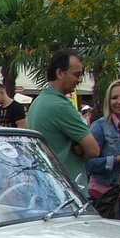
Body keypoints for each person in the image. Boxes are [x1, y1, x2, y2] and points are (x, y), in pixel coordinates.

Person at [27, 51, 100, 193]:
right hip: (68, 191)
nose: (79, 80)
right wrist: (82, 151)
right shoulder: (61, 106)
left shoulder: (38, 102)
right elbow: (94, 150)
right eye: (77, 74)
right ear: (60, 73)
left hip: (46, 186)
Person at [87, 79, 120, 220]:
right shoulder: (100, 126)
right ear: (108, 101)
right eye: (114, 98)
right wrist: (118, 159)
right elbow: (88, 164)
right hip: (103, 196)